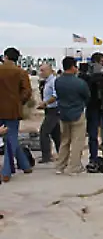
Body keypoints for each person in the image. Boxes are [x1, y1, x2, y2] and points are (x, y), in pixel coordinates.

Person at [0, 47, 33, 182]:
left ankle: (24, 165)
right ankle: (7, 171)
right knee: (11, 138)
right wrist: (19, 102)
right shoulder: (21, 72)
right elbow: (27, 91)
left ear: (5, 56)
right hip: (13, 110)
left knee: (10, 138)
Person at [54, 56, 90, 175]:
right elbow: (87, 96)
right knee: (77, 142)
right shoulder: (79, 83)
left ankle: (60, 166)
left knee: (65, 141)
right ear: (73, 67)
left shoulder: (58, 81)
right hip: (77, 113)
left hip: (63, 114)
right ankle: (74, 167)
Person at [37, 63, 61, 163]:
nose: (40, 73)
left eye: (43, 70)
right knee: (56, 134)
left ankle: (46, 156)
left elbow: (56, 96)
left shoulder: (53, 81)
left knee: (44, 132)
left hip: (53, 110)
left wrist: (45, 103)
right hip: (49, 110)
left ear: (49, 70)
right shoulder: (46, 82)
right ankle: (62, 154)